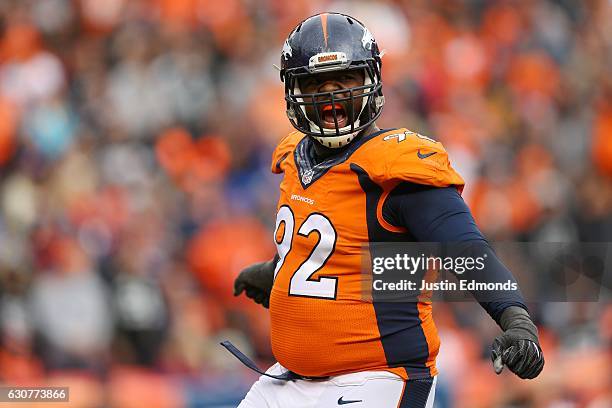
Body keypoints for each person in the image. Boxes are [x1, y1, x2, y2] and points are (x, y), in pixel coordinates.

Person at [230, 12, 544, 407]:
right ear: (293, 91)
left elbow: (466, 250)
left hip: (376, 379)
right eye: (315, 83)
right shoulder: (294, 155)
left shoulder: (395, 164)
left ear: (371, 81)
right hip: (289, 380)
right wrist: (280, 271)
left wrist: (514, 316)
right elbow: (337, 246)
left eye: (344, 80)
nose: (330, 96)